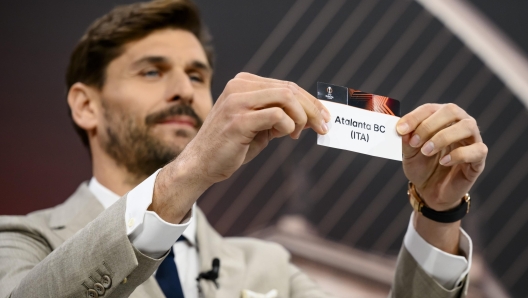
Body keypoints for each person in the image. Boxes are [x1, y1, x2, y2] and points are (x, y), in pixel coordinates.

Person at [0, 1, 487, 297]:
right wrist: (187, 173)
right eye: (152, 71)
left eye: (196, 76)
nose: (183, 91)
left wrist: (438, 214)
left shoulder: (267, 266)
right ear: (86, 106)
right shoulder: (22, 240)